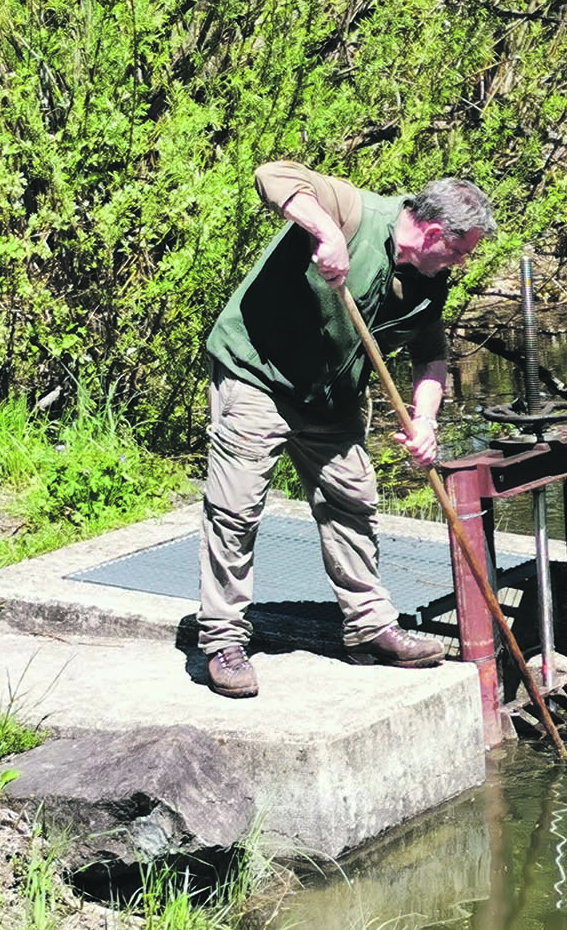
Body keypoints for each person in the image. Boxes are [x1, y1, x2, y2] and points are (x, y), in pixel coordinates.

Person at [197, 160, 493, 699]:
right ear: (431, 233)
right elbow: (272, 175)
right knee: (236, 507)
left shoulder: (429, 283)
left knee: (353, 500)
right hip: (256, 374)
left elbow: (430, 358)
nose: (461, 262)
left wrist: (425, 420)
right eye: (458, 250)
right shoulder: (355, 211)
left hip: (331, 398)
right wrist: (325, 232)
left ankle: (370, 628)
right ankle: (222, 640)